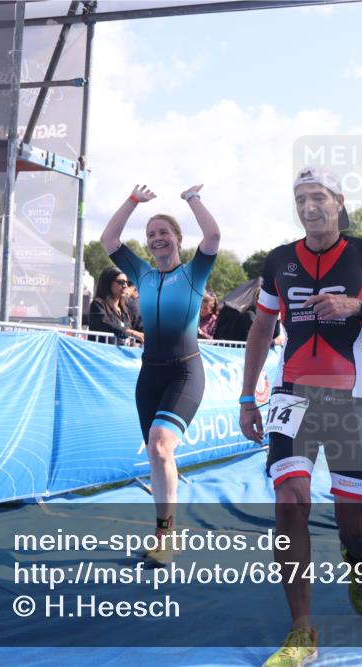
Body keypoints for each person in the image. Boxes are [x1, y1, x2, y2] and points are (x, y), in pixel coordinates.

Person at [238, 167, 362, 667]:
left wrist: (357, 306)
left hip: (348, 399)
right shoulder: (279, 260)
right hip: (291, 394)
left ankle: (357, 558)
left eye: (318, 197)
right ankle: (303, 631)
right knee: (289, 500)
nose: (308, 206)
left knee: (353, 523)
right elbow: (261, 328)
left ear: (338, 201)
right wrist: (247, 397)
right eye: (300, 198)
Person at [99, 182, 220, 567]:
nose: (156, 239)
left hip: (185, 373)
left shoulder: (194, 273)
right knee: (157, 455)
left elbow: (214, 234)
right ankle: (167, 527)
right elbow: (109, 238)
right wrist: (133, 200)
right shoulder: (142, 275)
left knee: (161, 445)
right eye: (151, 235)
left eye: (163, 232)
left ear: (178, 239)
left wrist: (191, 199)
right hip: (149, 376)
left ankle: (165, 535)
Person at [89, 267, 144, 345]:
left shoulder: (126, 308)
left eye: (126, 282)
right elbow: (106, 324)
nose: (125, 285)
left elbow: (139, 327)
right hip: (102, 354)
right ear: (108, 283)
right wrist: (130, 332)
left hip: (120, 357)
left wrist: (137, 342)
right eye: (121, 282)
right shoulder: (97, 305)